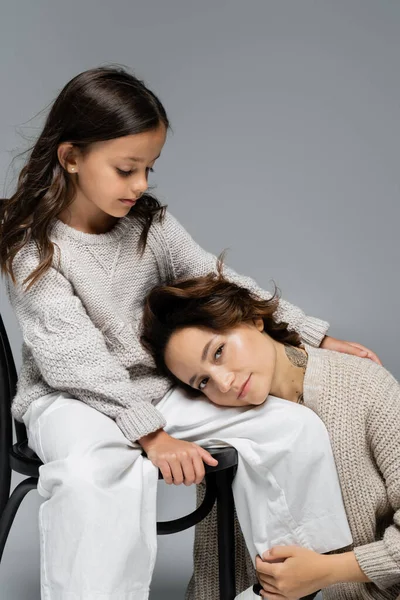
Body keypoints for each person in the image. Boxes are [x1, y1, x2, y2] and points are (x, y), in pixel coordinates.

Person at [0, 65, 378, 600]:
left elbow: (218, 282)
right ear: (72, 157)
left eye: (149, 169)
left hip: (156, 393)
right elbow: (74, 359)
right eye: (127, 169)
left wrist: (310, 336)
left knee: (291, 429)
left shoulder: (148, 224)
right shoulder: (32, 246)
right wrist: (150, 435)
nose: (141, 185)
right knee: (92, 474)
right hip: (71, 401)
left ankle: (294, 588)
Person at [140, 261, 400, 600]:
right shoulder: (224, 426)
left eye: (219, 352)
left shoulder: (365, 385)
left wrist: (327, 572)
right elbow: (215, 563)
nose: (224, 383)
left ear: (252, 319)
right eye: (203, 381)